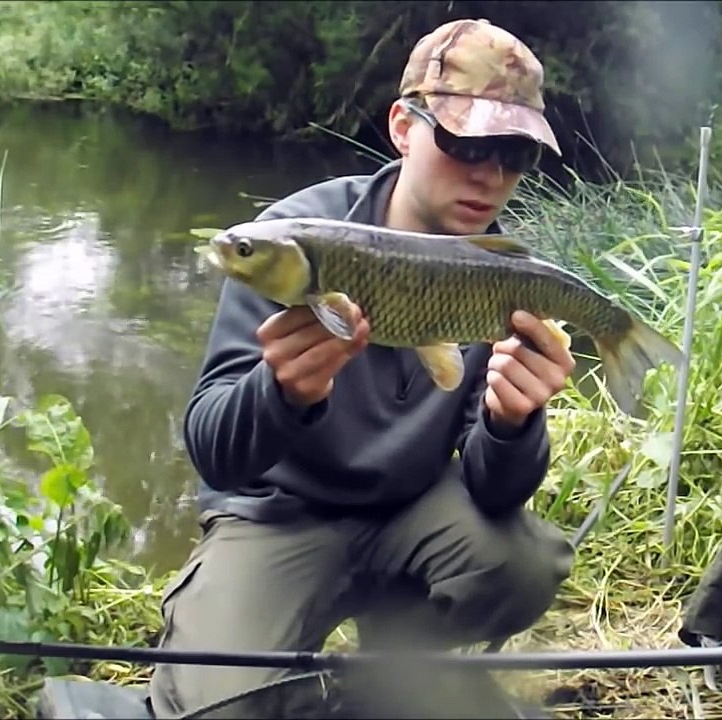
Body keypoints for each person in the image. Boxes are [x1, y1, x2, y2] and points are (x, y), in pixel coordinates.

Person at [147, 18, 577, 720]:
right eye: (468, 142)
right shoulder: (290, 240)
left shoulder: (495, 272)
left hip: (410, 508)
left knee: (527, 567)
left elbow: (493, 494)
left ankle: (396, 662)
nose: (490, 175)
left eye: (514, 153)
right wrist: (279, 394)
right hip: (278, 517)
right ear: (404, 128)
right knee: (214, 707)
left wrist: (510, 424)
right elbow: (214, 454)